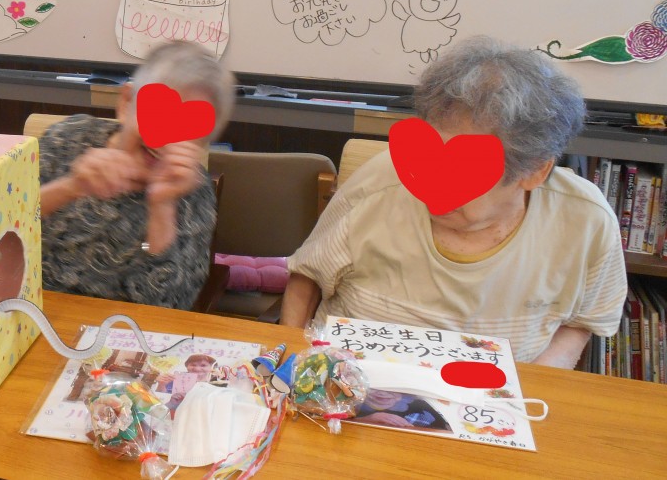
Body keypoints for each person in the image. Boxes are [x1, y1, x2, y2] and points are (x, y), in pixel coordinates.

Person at [280, 36, 627, 367]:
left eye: (464, 168)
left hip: (495, 396)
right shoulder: (378, 184)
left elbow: (582, 321)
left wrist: (527, 389)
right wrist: (294, 363)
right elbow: (307, 278)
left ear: (535, 171)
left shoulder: (585, 220)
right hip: (349, 382)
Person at [39, 41, 234, 310]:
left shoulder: (193, 196)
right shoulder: (68, 140)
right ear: (126, 103)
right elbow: (0, 223)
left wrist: (161, 208)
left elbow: (169, 307)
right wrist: (71, 187)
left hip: (117, 327)